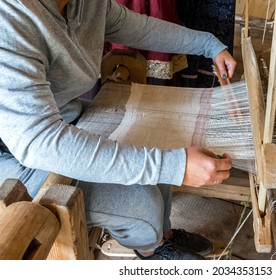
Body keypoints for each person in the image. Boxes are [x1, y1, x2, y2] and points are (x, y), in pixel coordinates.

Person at [0, 0, 236, 260]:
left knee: (159, 140)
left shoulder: (85, 4)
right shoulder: (9, 17)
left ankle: (161, 235)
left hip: (59, 118)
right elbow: (37, 140)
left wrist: (209, 45)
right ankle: (150, 247)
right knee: (143, 205)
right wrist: (174, 167)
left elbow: (139, 28)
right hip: (13, 154)